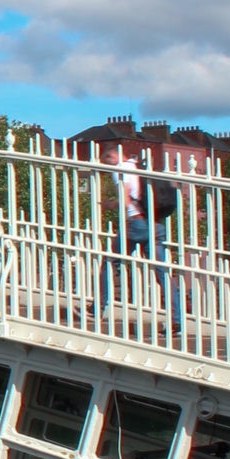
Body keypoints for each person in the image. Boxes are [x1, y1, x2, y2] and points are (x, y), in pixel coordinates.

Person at [96, 141, 181, 333]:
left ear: (112, 157)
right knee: (162, 273)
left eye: (105, 161)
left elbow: (125, 200)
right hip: (155, 224)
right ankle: (177, 320)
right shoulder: (139, 167)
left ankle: (98, 307)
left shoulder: (121, 169)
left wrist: (109, 204)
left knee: (110, 262)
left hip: (136, 223)